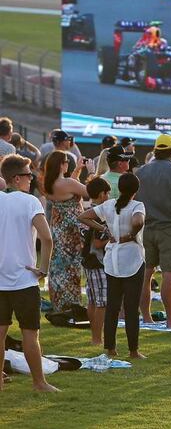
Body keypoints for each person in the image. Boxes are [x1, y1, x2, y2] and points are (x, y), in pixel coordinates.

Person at [0, 154, 59, 392]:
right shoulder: (30, 202)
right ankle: (39, 383)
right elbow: (47, 237)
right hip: (24, 279)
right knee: (30, 335)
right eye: (28, 175)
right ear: (16, 178)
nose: (31, 180)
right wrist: (43, 269)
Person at [79, 173, 146, 359]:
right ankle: (133, 350)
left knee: (112, 307)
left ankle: (110, 348)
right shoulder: (137, 205)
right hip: (132, 259)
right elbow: (138, 221)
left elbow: (83, 216)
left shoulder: (109, 205)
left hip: (112, 261)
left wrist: (105, 229)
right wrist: (131, 235)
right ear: (136, 190)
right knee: (132, 308)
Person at [132, 134, 171, 328]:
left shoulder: (141, 172)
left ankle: (146, 317)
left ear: (156, 150)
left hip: (145, 228)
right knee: (169, 275)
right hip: (170, 229)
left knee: (145, 275)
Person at [42, 150, 87, 312]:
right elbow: (90, 192)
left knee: (59, 267)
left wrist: (77, 170)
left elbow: (71, 187)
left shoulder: (49, 183)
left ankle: (59, 303)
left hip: (58, 230)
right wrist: (93, 172)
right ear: (60, 164)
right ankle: (71, 303)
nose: (68, 164)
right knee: (72, 268)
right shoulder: (67, 183)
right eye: (66, 161)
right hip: (71, 232)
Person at [81, 177, 112, 345]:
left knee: (92, 300)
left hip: (87, 260)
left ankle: (95, 336)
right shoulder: (100, 215)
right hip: (98, 262)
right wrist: (113, 238)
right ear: (102, 194)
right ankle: (97, 338)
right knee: (102, 303)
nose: (109, 196)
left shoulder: (88, 209)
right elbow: (98, 243)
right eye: (107, 193)